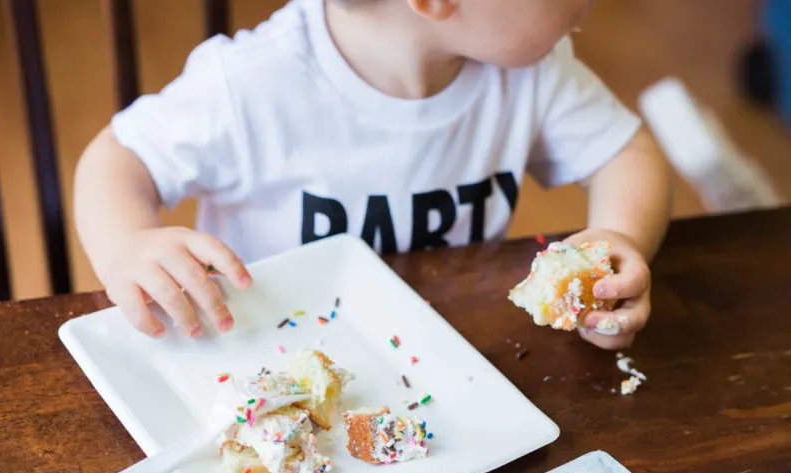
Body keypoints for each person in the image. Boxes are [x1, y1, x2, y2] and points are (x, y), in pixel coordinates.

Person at [73, 0, 670, 350]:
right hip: (272, 349)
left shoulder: (536, 74)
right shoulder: (253, 81)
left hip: (448, 351)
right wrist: (128, 244)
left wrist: (619, 242)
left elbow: (626, 153)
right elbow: (118, 160)